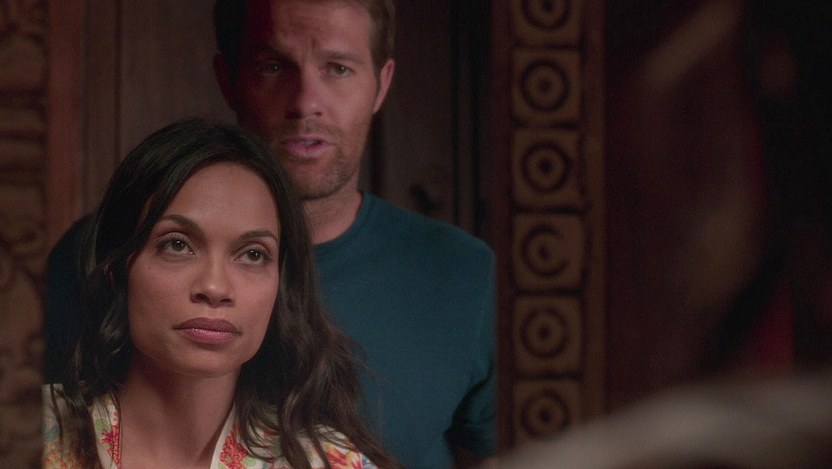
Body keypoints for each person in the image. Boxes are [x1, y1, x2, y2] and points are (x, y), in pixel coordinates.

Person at [45, 1, 497, 467]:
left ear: (382, 84)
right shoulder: (83, 259)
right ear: (229, 79)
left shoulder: (465, 275)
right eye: (274, 67)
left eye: (338, 68)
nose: (305, 102)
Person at [42, 119, 396, 468]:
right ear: (116, 267)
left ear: (281, 283)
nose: (215, 288)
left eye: (253, 254)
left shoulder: (331, 462)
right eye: (177, 245)